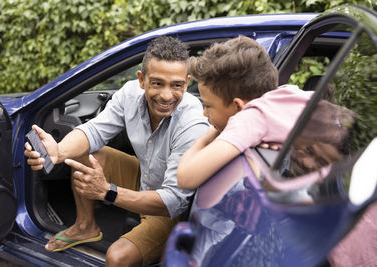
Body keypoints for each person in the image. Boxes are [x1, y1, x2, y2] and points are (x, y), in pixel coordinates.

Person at [24, 36, 208, 266]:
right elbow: (94, 131)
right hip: (146, 178)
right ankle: (85, 226)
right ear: (142, 80)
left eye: (177, 85)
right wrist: (58, 152)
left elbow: (172, 201)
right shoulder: (129, 94)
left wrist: (107, 192)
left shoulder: (193, 122)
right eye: (157, 83)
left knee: (117, 257)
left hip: (170, 211)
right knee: (88, 156)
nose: (167, 95)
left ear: (187, 81)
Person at [177, 35, 314, 190]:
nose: (204, 113)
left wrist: (207, 137)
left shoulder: (251, 117)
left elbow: (185, 178)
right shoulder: (289, 95)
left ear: (238, 106)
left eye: (208, 106)